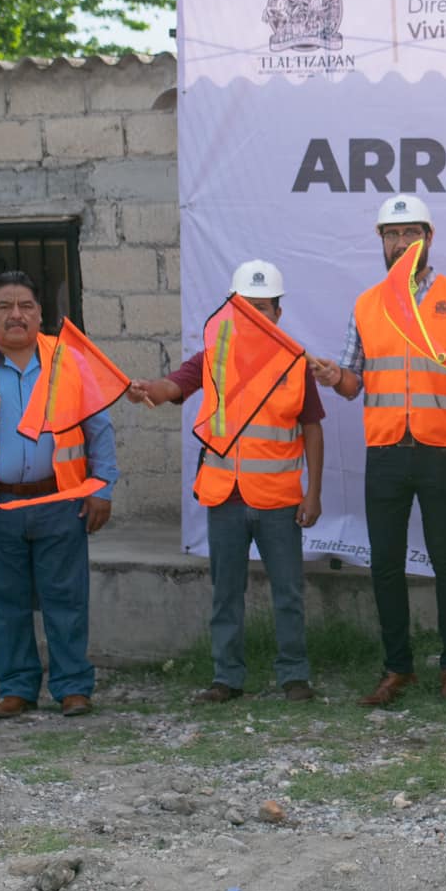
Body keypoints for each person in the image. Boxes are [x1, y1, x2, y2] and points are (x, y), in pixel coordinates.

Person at [311, 195, 446, 706]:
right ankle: (398, 669)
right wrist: (333, 376)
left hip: (442, 451)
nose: (399, 244)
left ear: (428, 238)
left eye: (410, 233)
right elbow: (353, 383)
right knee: (385, 565)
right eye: (391, 235)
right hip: (387, 451)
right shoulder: (368, 304)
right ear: (381, 242)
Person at [127, 259, 324, 704]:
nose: (255, 316)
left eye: (263, 307)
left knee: (289, 592)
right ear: (233, 310)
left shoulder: (295, 362)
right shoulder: (213, 357)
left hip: (278, 499)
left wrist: (313, 493)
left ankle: (294, 676)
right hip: (226, 497)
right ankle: (226, 678)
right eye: (246, 307)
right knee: (226, 593)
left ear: (278, 312)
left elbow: (312, 427)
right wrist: (148, 389)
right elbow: (174, 385)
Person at [0, 271, 118, 718]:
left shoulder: (69, 361)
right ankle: (16, 688)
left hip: (59, 501)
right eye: (6, 307)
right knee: (3, 601)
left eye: (26, 306)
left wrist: (102, 487)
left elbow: (98, 428)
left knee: (65, 598)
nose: (17, 315)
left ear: (40, 314)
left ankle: (73, 687)